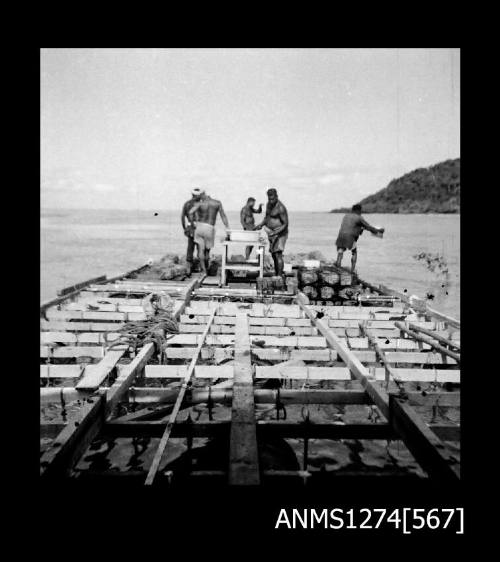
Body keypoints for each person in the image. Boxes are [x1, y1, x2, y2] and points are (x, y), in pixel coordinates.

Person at [188, 191, 230, 274]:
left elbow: (190, 212)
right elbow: (223, 216)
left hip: (199, 226)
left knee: (200, 249)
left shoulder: (200, 203)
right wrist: (227, 227)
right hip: (209, 228)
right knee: (207, 250)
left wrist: (192, 223)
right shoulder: (217, 203)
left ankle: (203, 269)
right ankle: (206, 268)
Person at [335, 204, 385, 274]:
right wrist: (378, 231)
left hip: (340, 236)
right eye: (360, 211)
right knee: (354, 252)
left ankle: (338, 267)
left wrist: (361, 228)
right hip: (350, 238)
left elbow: (352, 226)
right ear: (358, 210)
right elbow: (368, 227)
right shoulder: (359, 217)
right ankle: (352, 271)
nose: (361, 212)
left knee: (340, 251)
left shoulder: (346, 216)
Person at [254, 188, 288, 278]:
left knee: (278, 254)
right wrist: (260, 225)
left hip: (281, 233)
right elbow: (267, 217)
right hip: (271, 232)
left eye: (273, 198)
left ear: (277, 196)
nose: (271, 201)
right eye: (269, 199)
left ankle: (279, 276)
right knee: (273, 254)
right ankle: (277, 274)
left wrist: (276, 233)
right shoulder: (269, 205)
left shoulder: (281, 208)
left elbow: (285, 224)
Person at [181, 188, 202, 275]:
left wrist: (184, 228)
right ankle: (201, 268)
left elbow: (182, 217)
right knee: (200, 247)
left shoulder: (187, 204)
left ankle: (188, 269)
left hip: (190, 227)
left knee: (190, 247)